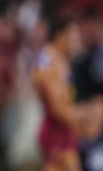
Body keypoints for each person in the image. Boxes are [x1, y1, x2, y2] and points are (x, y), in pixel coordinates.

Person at [33, 18, 90, 171]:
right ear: (61, 36)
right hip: (56, 134)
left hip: (62, 131)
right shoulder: (49, 62)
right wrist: (85, 114)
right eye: (74, 35)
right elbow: (58, 109)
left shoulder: (59, 60)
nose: (78, 40)